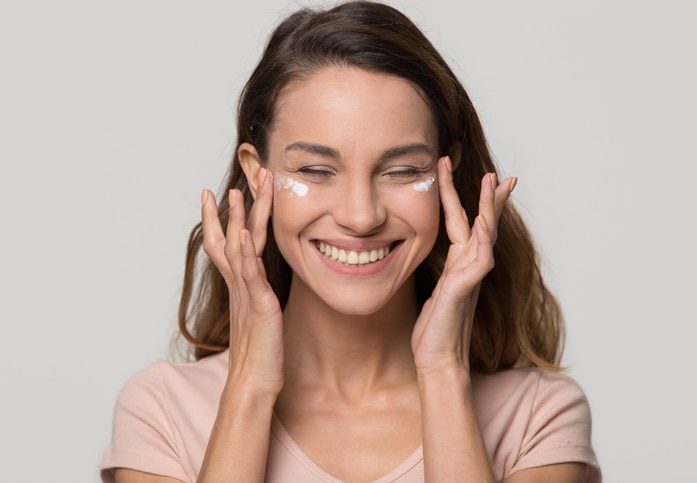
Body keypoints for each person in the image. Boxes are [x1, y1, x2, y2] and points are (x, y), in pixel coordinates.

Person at [100, 1, 601, 482]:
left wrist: (444, 375)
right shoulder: (163, 412)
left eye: (403, 170)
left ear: (450, 171)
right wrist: (249, 388)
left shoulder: (537, 417)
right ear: (258, 177)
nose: (361, 217)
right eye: (316, 170)